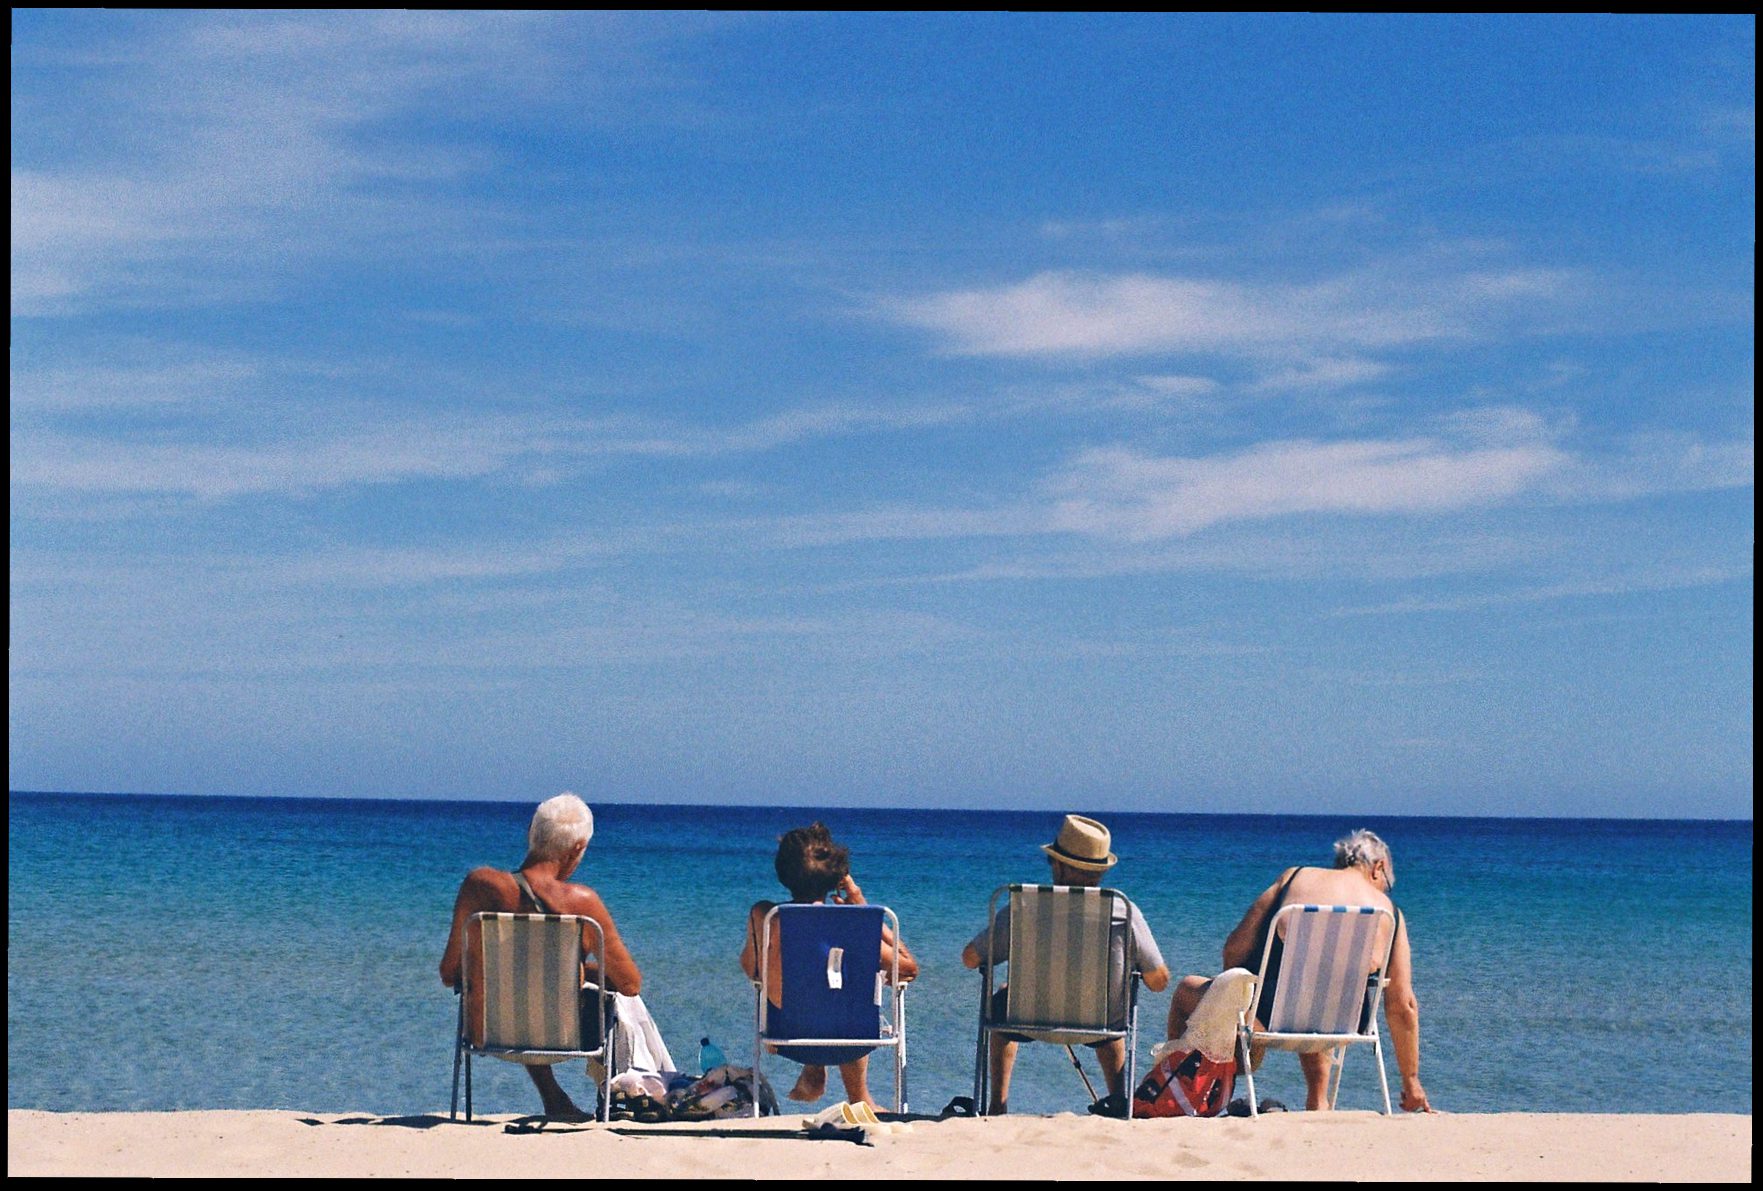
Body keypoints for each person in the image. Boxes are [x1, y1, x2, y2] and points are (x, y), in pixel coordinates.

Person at [1164, 828, 1433, 1113]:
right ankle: (1318, 1101)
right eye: (1387, 884)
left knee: (1185, 990)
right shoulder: (1390, 912)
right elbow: (1403, 1005)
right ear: (1378, 868)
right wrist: (1411, 1082)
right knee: (1321, 994)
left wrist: (1235, 1003)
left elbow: (1234, 947)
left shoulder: (1295, 878)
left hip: (1267, 1019)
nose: (1384, 889)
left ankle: (1177, 1093)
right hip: (1344, 1025)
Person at [439, 792, 642, 1119]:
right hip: (567, 1036)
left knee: (523, 985)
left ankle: (555, 1099)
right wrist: (579, 973)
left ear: (531, 837)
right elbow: (631, 983)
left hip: (486, 1031)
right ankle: (633, 1093)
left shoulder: (478, 886)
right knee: (616, 1000)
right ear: (577, 848)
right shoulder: (582, 902)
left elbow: (449, 973)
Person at [961, 814, 1171, 1115]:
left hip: (1026, 1018)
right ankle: (1119, 1100)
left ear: (1059, 865)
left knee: (1001, 1000)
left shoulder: (1023, 905)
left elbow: (970, 959)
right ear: (1099, 871)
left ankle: (997, 1105)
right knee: (1112, 1006)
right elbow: (1158, 981)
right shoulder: (1122, 910)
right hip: (1100, 1026)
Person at [740, 822, 918, 1109]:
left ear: (782, 873)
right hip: (853, 1037)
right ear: (837, 876)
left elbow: (751, 970)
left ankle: (813, 1068)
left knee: (815, 990)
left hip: (787, 1034)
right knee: (842, 989)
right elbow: (908, 968)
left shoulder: (766, 916)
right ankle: (859, 1099)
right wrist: (863, 908)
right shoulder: (853, 925)